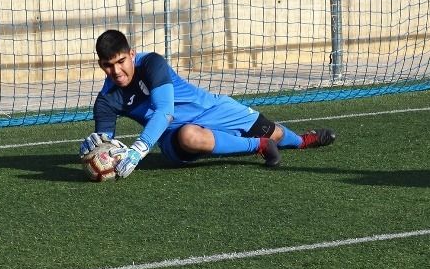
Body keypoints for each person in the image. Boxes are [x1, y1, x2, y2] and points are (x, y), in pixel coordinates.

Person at [80, 29, 336, 178]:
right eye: (108, 65)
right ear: (101, 65)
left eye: (121, 61)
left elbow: (165, 111)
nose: (116, 71)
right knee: (190, 136)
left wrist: (137, 150)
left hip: (211, 108)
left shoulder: (151, 63)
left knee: (276, 132)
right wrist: (96, 146)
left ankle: (302, 140)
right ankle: (258, 146)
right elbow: (104, 142)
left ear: (132, 55)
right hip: (173, 137)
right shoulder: (106, 100)